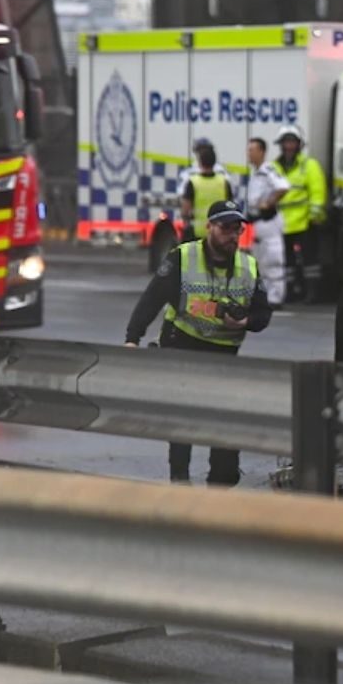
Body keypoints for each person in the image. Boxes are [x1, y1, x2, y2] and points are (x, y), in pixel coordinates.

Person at [124, 199, 273, 484]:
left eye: (237, 229)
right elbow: (152, 299)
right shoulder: (183, 258)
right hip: (182, 343)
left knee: (225, 421)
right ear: (209, 227)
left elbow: (264, 315)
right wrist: (133, 338)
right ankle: (180, 478)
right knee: (184, 416)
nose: (232, 235)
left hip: (223, 353)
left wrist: (245, 321)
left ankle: (220, 485)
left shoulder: (248, 266)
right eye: (225, 228)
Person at [272, 125, 327, 302]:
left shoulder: (309, 165)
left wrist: (314, 216)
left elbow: (317, 191)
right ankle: (289, 292)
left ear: (299, 145)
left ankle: (312, 293)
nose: (289, 146)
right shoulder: (273, 167)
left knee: (310, 261)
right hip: (282, 222)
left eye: (292, 142)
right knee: (286, 261)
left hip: (305, 221)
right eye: (286, 143)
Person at [246, 137, 289, 309]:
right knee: (260, 261)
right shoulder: (255, 173)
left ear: (262, 152)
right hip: (256, 223)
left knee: (273, 260)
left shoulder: (268, 170)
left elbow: (283, 187)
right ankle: (265, 296)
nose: (249, 154)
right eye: (248, 150)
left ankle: (276, 298)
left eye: (252, 150)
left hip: (269, 221)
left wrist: (269, 202)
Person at [179, 137, 234, 243]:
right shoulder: (224, 179)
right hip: (220, 232)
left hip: (198, 232)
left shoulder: (192, 179)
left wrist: (185, 220)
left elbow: (185, 207)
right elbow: (231, 205)